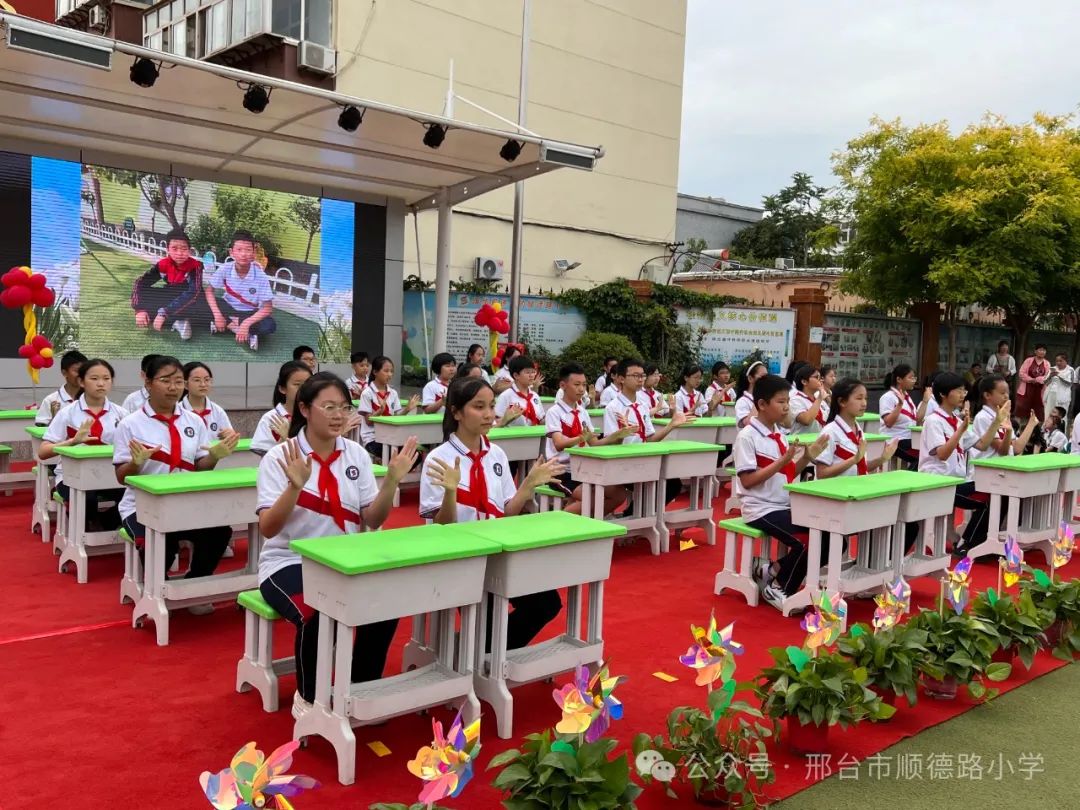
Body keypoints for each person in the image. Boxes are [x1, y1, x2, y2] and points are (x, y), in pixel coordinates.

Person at [257, 372, 419, 718]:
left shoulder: (356, 455)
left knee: (385, 607)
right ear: (304, 408)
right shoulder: (280, 458)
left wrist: (391, 481)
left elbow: (372, 520)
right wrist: (295, 487)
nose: (338, 415)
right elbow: (269, 528)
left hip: (347, 561)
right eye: (328, 406)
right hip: (288, 562)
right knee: (318, 612)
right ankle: (310, 696)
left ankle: (360, 688)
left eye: (344, 408)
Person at [421, 376, 564, 651]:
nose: (489, 414)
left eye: (491, 406)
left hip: (497, 551)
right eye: (478, 407)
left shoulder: (496, 454)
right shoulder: (438, 458)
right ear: (456, 412)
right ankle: (482, 652)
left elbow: (506, 512)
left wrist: (528, 485)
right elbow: (441, 527)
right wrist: (451, 491)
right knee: (486, 617)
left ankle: (483, 652)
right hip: (458, 558)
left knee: (546, 604)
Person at [112, 355, 238, 604]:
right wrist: (136, 463)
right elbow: (121, 478)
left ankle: (195, 585)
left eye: (178, 381)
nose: (173, 388)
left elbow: (201, 468)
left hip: (186, 502)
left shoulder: (194, 421)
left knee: (219, 532)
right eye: (165, 381)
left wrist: (214, 455)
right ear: (148, 383)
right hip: (142, 507)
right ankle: (157, 592)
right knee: (159, 542)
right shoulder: (130, 424)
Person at [733, 374, 828, 611]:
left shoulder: (779, 435)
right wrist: (781, 461)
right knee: (808, 541)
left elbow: (786, 474)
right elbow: (747, 481)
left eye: (787, 401)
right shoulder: (747, 437)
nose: (787, 407)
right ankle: (779, 586)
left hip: (783, 503)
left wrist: (806, 457)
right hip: (760, 507)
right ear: (762, 404)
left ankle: (772, 570)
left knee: (832, 535)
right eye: (781, 402)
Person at [39, 359, 127, 531]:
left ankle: (105, 522)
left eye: (106, 378)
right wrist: (72, 442)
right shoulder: (67, 413)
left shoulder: (121, 413)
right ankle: (83, 530)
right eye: (94, 378)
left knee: (137, 496)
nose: (101, 383)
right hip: (72, 476)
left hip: (111, 475)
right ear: (81, 382)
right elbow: (43, 452)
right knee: (87, 499)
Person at [544, 363, 635, 514]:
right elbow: (559, 444)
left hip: (584, 468)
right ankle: (557, 525)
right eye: (577, 384)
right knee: (592, 498)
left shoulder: (582, 412)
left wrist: (617, 435)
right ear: (563, 385)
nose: (582, 389)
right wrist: (579, 438)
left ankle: (591, 522)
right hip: (561, 471)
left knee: (619, 494)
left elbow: (594, 443)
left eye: (584, 385)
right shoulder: (554, 412)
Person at [602, 357, 690, 505]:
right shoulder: (613, 407)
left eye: (642, 375)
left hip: (644, 458)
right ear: (621, 378)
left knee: (673, 484)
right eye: (635, 376)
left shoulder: (642, 406)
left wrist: (671, 426)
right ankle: (638, 515)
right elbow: (610, 445)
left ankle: (641, 515)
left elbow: (649, 439)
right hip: (624, 462)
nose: (640, 379)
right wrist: (622, 434)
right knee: (661, 483)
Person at [919, 372, 987, 557]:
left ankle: (967, 539)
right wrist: (961, 430)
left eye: (964, 390)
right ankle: (969, 542)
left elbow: (982, 444)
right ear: (943, 394)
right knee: (987, 500)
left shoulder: (955, 420)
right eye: (958, 390)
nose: (963, 394)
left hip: (955, 479)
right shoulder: (933, 421)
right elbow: (942, 454)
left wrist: (998, 422)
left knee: (994, 494)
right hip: (937, 480)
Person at [203, 230, 277, 351]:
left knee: (269, 325)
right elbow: (209, 291)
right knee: (201, 302)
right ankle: (240, 331)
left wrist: (246, 323)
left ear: (254, 254)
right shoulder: (225, 268)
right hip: (227, 307)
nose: (243, 254)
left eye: (248, 250)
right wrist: (217, 314)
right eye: (239, 250)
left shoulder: (260, 276)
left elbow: (267, 308)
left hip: (249, 312)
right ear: (231, 252)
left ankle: (228, 325)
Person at [131, 228, 205, 341]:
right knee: (147, 293)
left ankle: (177, 319)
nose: (179, 253)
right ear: (168, 250)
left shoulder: (196, 266)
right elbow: (140, 283)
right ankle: (178, 320)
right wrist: (139, 309)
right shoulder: (163, 264)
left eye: (184, 249)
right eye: (174, 248)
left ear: (189, 251)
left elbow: (194, 292)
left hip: (189, 299)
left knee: (199, 302)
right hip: (171, 295)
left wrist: (164, 312)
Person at [357, 355, 420, 459]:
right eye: (386, 371)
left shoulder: (393, 393)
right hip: (373, 438)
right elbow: (368, 421)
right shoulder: (367, 393)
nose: (389, 375)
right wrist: (379, 411)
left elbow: (396, 418)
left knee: (415, 455)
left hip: (390, 436)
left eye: (391, 371)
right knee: (398, 455)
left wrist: (407, 409)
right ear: (375, 372)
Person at [252, 361, 313, 456]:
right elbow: (267, 458)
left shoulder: (315, 414)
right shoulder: (271, 418)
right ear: (282, 388)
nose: (304, 389)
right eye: (297, 384)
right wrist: (284, 439)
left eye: (308, 384)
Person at [879, 364, 931, 470]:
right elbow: (888, 423)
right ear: (899, 379)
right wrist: (899, 405)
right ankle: (909, 481)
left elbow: (917, 420)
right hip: (895, 440)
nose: (914, 381)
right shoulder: (888, 397)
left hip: (908, 439)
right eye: (910, 377)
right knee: (923, 457)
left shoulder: (907, 397)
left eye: (914, 378)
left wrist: (925, 401)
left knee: (930, 452)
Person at [180, 362, 234, 439]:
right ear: (185, 384)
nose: (203, 384)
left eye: (207, 380)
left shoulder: (218, 411)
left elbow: (230, 440)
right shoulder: (177, 411)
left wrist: (230, 436)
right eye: (197, 380)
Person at [35, 349, 86, 425]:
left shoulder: (91, 398)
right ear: (64, 373)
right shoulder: (51, 400)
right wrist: (55, 418)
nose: (81, 375)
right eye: (77, 371)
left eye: (84, 371)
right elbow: (40, 428)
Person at [494, 355, 546, 427]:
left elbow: (541, 420)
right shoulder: (505, 396)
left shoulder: (534, 396)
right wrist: (504, 420)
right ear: (516, 375)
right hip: (514, 437)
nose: (532, 375)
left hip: (534, 437)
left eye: (533, 372)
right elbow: (496, 422)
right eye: (527, 372)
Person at [786, 364, 828, 435]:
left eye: (820, 377)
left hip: (818, 442)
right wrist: (819, 399)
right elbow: (806, 420)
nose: (820, 380)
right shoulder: (795, 400)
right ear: (804, 382)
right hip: (801, 444)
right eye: (816, 377)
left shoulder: (818, 398)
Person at [1017, 344, 1051, 421]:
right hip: (1027, 389)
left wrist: (1039, 379)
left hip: (1039, 390)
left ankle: (1035, 429)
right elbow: (1021, 373)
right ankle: (1019, 428)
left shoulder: (1047, 363)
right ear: (1035, 351)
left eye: (1044, 350)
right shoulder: (1028, 360)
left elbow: (1047, 377)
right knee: (1022, 410)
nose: (1042, 352)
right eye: (1040, 349)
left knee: (1038, 412)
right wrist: (1032, 380)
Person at [734, 360, 768, 429]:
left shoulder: (766, 398)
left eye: (767, 376)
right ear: (750, 378)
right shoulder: (742, 401)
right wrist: (759, 399)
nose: (766, 380)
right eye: (762, 376)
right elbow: (747, 424)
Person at [1042, 352, 1074, 419]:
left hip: (1063, 396)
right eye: (1057, 361)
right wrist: (1050, 376)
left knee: (1060, 415)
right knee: (1049, 413)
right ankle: (1047, 428)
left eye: (1060, 361)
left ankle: (1060, 428)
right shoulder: (1052, 368)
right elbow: (1045, 382)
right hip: (1051, 394)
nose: (1058, 363)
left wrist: (1059, 375)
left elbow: (1070, 383)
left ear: (1066, 361)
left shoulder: (1070, 370)